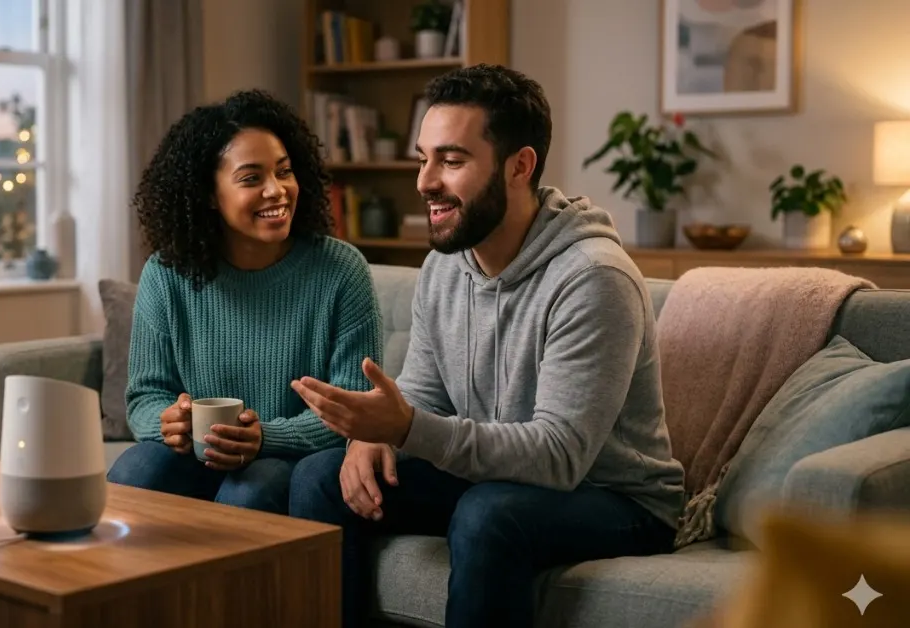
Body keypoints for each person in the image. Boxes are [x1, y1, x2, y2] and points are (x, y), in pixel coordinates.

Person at [287, 65, 686, 627]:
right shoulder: (443, 266)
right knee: (318, 478)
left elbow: (559, 457)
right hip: (497, 477)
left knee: (489, 512)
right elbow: (423, 395)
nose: (425, 181)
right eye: (423, 158)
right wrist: (369, 437)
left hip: (616, 497)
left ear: (519, 165)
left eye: (451, 161)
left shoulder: (594, 277)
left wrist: (404, 430)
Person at [106, 89, 383, 517]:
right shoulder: (167, 273)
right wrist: (169, 423)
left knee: (249, 492)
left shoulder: (340, 271)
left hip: (287, 459)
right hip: (195, 457)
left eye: (284, 172)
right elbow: (145, 395)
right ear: (208, 194)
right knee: (134, 472)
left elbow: (355, 407)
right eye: (252, 178)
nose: (277, 191)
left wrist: (264, 437)